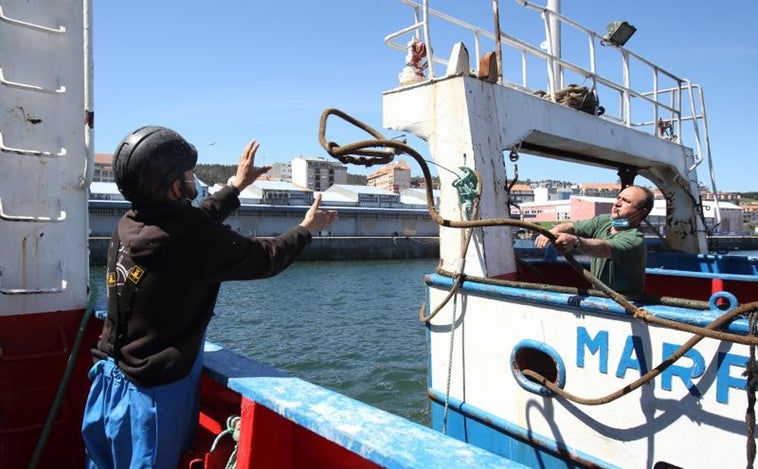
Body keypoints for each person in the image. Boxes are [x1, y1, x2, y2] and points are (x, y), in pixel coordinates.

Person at [81, 125, 338, 468]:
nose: (194, 179)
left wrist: (236, 185)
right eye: (188, 174)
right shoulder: (191, 240)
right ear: (174, 186)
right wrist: (306, 229)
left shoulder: (129, 224)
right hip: (153, 398)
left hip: (108, 383)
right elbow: (266, 257)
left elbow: (192, 222)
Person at [534, 185, 654, 295]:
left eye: (626, 201)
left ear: (641, 213)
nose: (617, 203)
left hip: (625, 302)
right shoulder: (604, 221)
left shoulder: (634, 239)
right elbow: (572, 226)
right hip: (600, 296)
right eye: (618, 198)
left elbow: (603, 250)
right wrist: (552, 231)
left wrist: (576, 242)